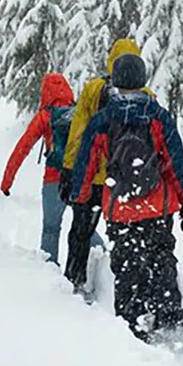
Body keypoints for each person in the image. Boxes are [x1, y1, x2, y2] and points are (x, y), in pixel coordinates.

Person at [69, 53, 183, 341]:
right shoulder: (158, 117)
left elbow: (86, 163)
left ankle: (132, 318)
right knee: (162, 256)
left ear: (114, 80)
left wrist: (80, 196)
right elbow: (176, 163)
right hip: (157, 206)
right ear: (143, 79)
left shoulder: (103, 120)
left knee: (127, 264)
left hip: (120, 208)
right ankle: (168, 311)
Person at [60, 39, 152, 294]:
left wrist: (69, 170)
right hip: (126, 182)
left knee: (80, 231)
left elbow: (78, 133)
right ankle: (132, 292)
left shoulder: (92, 89)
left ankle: (74, 280)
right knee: (129, 237)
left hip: (92, 179)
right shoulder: (147, 96)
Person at [0, 72, 102, 265]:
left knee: (51, 228)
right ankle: (102, 260)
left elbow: (22, 148)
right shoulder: (78, 112)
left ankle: (50, 274)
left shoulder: (45, 117)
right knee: (84, 225)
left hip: (53, 180)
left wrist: (7, 182)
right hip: (78, 178)